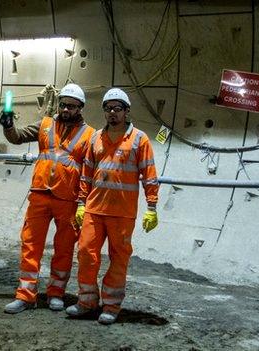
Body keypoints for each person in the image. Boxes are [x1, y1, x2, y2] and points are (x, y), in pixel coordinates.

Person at [66, 88, 159, 324]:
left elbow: (149, 174)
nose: (112, 113)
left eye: (117, 108)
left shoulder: (140, 139)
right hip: (94, 211)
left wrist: (152, 207)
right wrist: (80, 204)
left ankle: (111, 305)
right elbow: (86, 174)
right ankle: (86, 301)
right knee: (86, 254)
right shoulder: (96, 138)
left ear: (127, 111)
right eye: (108, 109)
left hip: (123, 214)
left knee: (119, 260)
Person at [0, 84, 95, 314]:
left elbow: (92, 169)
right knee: (30, 244)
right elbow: (17, 137)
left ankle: (56, 293)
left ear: (80, 108)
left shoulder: (91, 135)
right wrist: (8, 125)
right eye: (63, 104)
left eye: (71, 106)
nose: (65, 109)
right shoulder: (45, 124)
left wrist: (85, 202)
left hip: (68, 199)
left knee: (64, 248)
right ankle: (26, 295)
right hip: (40, 194)